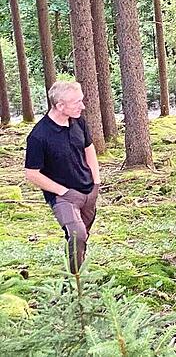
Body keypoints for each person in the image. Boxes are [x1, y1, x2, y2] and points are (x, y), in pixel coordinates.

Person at [24, 81, 101, 274]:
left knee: (82, 236)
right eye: (77, 102)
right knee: (77, 233)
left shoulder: (79, 122)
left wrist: (96, 183)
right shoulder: (39, 136)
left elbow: (89, 149)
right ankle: (76, 281)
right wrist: (63, 192)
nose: (82, 106)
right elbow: (31, 174)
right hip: (62, 197)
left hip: (88, 190)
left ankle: (79, 272)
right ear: (60, 106)